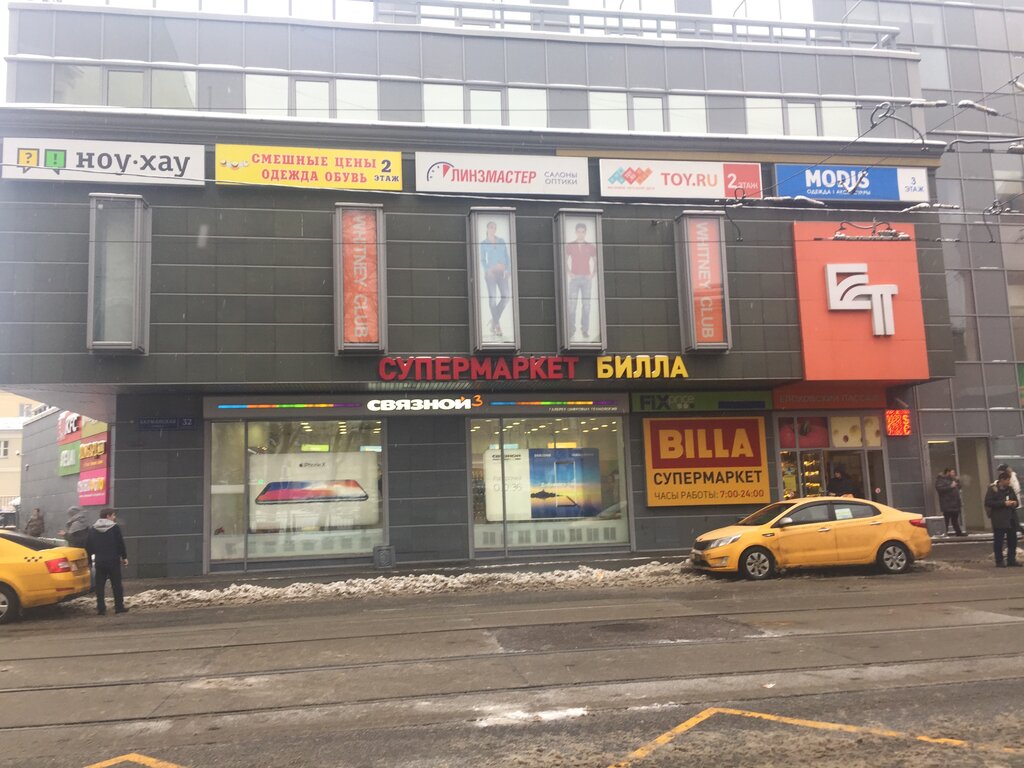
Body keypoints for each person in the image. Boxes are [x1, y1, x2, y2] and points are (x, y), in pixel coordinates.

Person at [85, 508, 130, 614]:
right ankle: (119, 607)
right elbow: (120, 543)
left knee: (100, 586)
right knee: (116, 585)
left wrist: (89, 561)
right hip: (113, 560)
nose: (114, 518)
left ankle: (101, 608)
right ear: (108, 516)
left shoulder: (93, 529)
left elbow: (88, 546)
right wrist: (124, 557)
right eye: (113, 515)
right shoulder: (115, 528)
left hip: (100, 561)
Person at [565, 221, 597, 340]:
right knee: (572, 305)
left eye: (583, 232)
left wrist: (592, 274)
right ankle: (571, 330)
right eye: (579, 231)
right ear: (576, 232)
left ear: (585, 233)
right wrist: (569, 272)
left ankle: (585, 330)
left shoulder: (591, 246)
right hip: (574, 279)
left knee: (586, 305)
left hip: (586, 279)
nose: (581, 234)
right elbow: (564, 260)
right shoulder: (570, 245)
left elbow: (596, 261)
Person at [480, 220, 510, 338]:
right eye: (491, 227)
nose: (493, 229)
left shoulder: (501, 241)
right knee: (492, 298)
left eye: (494, 227)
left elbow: (507, 257)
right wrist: (487, 270)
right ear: (487, 229)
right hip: (491, 274)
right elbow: (483, 260)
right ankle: (497, 325)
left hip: (502, 273)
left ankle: (493, 320)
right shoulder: (483, 243)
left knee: (506, 297)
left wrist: (508, 270)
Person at [984, 471, 1020, 568]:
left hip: (1011, 519)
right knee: (999, 541)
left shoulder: (1010, 489)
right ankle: (999, 561)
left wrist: (1014, 503)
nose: (1009, 482)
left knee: (1012, 540)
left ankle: (1011, 560)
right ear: (1001, 480)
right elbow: (988, 502)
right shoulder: (993, 489)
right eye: (1007, 480)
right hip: (999, 519)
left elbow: (1016, 501)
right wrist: (1003, 503)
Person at [934, 468, 965, 536]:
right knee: (946, 520)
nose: (954, 474)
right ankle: (944, 533)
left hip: (955, 503)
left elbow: (959, 487)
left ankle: (958, 532)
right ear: (948, 472)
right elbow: (940, 489)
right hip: (947, 503)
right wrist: (950, 486)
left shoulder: (953, 480)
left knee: (955, 519)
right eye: (952, 472)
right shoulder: (941, 480)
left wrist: (957, 481)